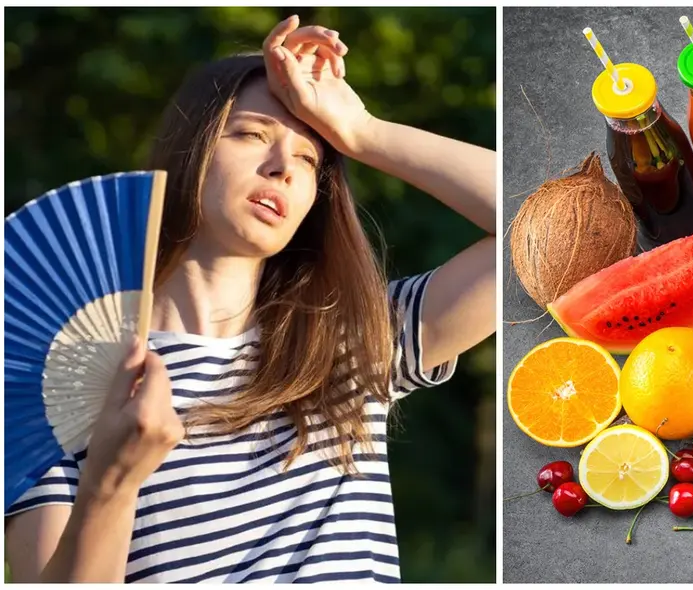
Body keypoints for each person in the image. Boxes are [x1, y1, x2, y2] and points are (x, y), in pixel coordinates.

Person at [4, 15, 495, 583]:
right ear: (190, 149)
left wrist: (361, 132)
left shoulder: (352, 340)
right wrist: (111, 483)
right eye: (252, 134)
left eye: (309, 159)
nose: (283, 168)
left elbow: (537, 226)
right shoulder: (62, 381)